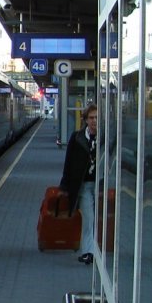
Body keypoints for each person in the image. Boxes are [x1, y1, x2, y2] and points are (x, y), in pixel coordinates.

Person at [59, 104, 98, 264]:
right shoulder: (77, 138)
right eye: (91, 118)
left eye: (97, 118)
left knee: (98, 219)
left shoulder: (107, 138)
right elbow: (68, 163)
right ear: (85, 120)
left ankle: (94, 250)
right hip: (85, 186)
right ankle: (88, 252)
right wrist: (64, 186)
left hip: (101, 186)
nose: (94, 121)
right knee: (89, 219)